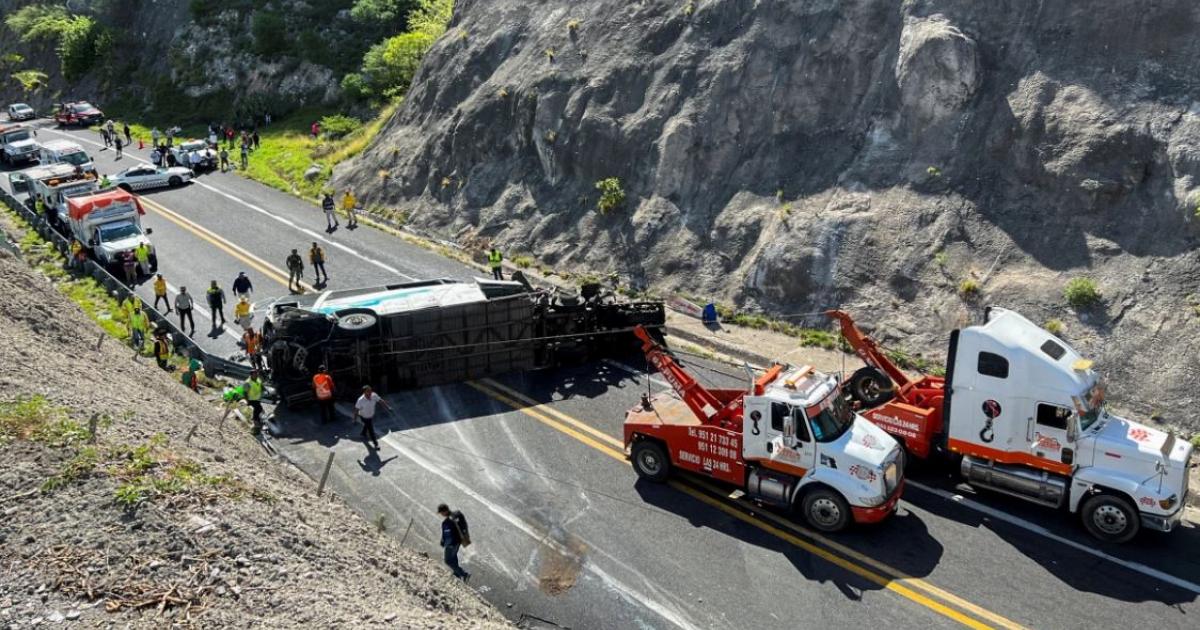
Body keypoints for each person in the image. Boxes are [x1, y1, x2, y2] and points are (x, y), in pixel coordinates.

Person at [438, 504, 471, 580]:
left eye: (441, 512)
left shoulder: (446, 522)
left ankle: (464, 574)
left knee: (448, 560)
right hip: (459, 541)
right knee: (453, 557)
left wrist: (444, 542)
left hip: (452, 543)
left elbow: (447, 534)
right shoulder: (457, 514)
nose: (441, 514)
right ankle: (457, 574)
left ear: (445, 511)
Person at [353, 385, 389, 451]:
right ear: (364, 392)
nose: (370, 392)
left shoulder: (374, 395)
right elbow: (356, 410)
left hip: (371, 416)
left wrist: (388, 407)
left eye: (370, 390)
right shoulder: (360, 400)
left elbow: (380, 401)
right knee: (371, 430)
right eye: (368, 391)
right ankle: (376, 444)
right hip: (363, 417)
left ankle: (363, 433)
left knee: (368, 425)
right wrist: (354, 420)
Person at [244, 370, 265, 434]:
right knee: (256, 412)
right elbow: (245, 392)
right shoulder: (247, 382)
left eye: (257, 373)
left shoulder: (258, 379)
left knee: (260, 410)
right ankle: (256, 426)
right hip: (251, 400)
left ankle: (258, 423)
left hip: (257, 399)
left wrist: (263, 389)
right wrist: (247, 401)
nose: (256, 375)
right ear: (251, 375)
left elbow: (261, 386)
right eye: (255, 374)